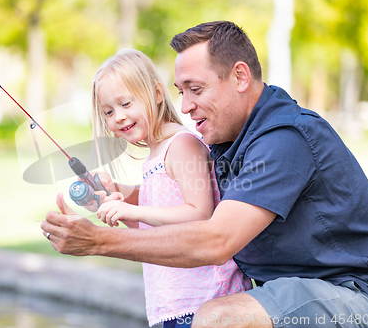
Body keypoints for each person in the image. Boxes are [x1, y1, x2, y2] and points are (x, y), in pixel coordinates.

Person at [42, 21, 368, 328]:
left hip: (359, 297)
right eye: (181, 91)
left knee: (218, 318)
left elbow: (216, 240)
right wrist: (124, 192)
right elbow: (179, 194)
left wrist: (99, 241)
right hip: (298, 292)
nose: (185, 105)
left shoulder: (284, 140)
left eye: (196, 88)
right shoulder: (230, 137)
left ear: (239, 76)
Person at [90, 49, 251, 327]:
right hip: (170, 307)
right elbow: (155, 231)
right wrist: (114, 204)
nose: (118, 117)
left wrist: (133, 209)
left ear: (156, 93)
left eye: (126, 103)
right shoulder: (154, 156)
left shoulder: (182, 145)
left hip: (205, 305)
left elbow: (199, 215)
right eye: (108, 111)